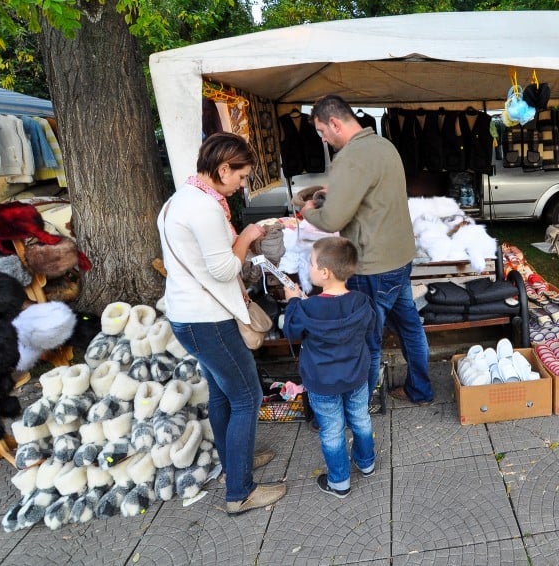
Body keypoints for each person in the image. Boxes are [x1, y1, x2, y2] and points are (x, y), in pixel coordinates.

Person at [157, 132, 286, 515]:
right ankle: (240, 492)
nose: (243, 185)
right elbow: (224, 268)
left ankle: (235, 465)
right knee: (247, 397)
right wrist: (246, 236)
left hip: (189, 316)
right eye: (242, 177)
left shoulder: (182, 198)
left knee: (222, 394)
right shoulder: (206, 208)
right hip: (209, 319)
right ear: (223, 168)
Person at [301, 95, 434, 405]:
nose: (323, 138)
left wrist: (308, 210)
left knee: (368, 341)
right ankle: (421, 390)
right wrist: (332, 194)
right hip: (400, 258)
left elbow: (333, 218)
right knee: (410, 328)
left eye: (322, 131)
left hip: (372, 266)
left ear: (334, 123)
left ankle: (363, 408)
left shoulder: (349, 157)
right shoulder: (384, 145)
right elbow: (372, 196)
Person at [282, 236, 378, 497]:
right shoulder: (361, 301)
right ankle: (366, 462)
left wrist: (292, 301)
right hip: (356, 375)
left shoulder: (308, 307)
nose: (309, 267)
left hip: (322, 381)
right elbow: (370, 329)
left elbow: (290, 330)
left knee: (332, 429)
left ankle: (339, 481)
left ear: (324, 272)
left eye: (311, 263)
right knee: (360, 418)